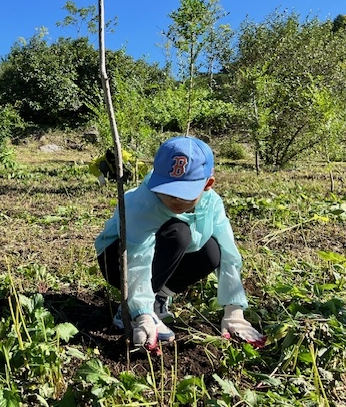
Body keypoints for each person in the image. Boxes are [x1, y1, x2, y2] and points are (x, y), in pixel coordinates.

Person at [94, 136, 266, 353]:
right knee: (179, 232)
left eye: (183, 195)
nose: (173, 200)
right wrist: (140, 312)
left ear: (207, 185)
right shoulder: (143, 203)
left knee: (212, 251)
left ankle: (157, 299)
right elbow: (137, 257)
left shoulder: (212, 204)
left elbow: (230, 255)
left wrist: (234, 311)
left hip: (163, 259)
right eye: (167, 191)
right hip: (118, 260)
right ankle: (129, 309)